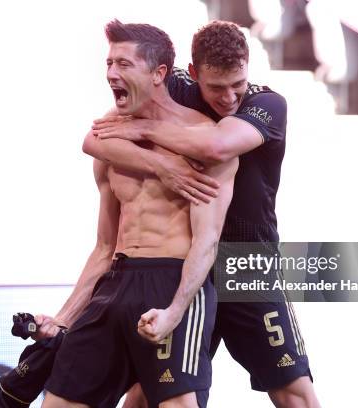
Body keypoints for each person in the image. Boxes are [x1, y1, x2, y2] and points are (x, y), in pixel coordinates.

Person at [85, 20, 320, 408]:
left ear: (248, 68)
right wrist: (160, 166)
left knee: (296, 391)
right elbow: (96, 139)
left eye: (237, 84)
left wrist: (144, 127)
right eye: (216, 87)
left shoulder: (268, 103)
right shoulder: (173, 87)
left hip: (247, 263)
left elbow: (216, 147)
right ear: (193, 74)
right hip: (180, 262)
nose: (229, 98)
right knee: (148, 393)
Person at [40, 20, 238, 408]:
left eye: (124, 64)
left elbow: (207, 240)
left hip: (173, 280)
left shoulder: (204, 139)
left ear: (159, 73)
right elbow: (103, 247)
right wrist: (62, 319)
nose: (112, 73)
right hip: (116, 281)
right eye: (109, 63)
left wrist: (174, 312)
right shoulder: (110, 141)